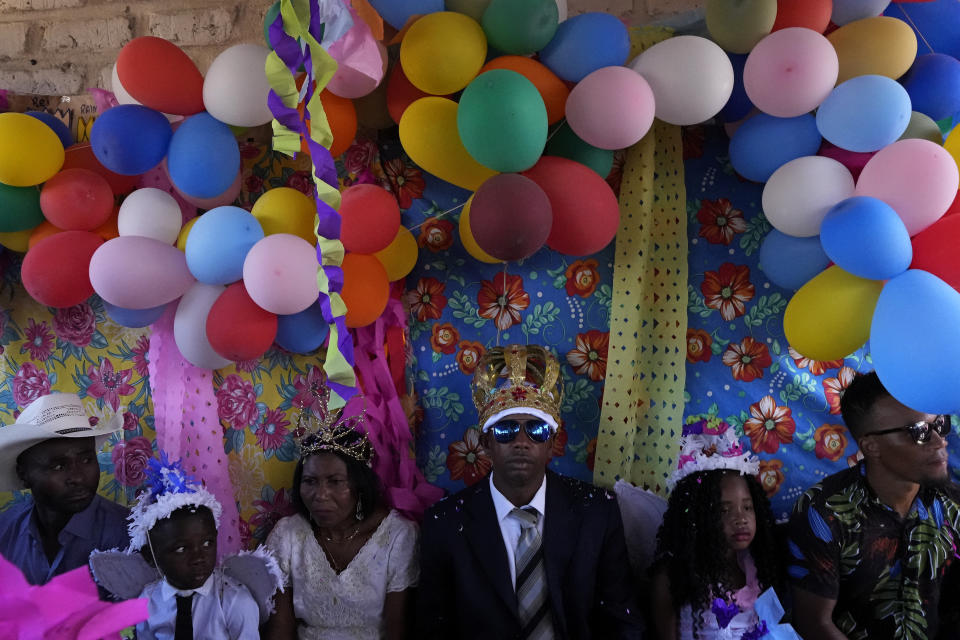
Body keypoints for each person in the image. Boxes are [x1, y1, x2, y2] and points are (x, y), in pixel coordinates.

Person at [416, 344, 643, 639]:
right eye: (506, 430)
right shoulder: (444, 523)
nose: (521, 441)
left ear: (550, 444)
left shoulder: (597, 512)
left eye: (536, 430)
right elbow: (433, 628)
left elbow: (621, 618)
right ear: (485, 442)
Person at [788, 370, 960, 640]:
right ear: (871, 446)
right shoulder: (824, 514)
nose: (940, 441)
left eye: (939, 424)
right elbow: (815, 623)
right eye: (919, 432)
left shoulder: (951, 502)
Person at [263, 383, 418, 640]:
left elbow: (397, 628)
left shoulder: (397, 536)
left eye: (335, 482)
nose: (320, 494)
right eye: (310, 481)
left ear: (359, 485)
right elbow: (281, 628)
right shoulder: (288, 535)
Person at [90, 453, 279, 640]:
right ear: (150, 556)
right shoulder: (147, 602)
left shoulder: (234, 602)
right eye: (181, 549)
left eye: (207, 543)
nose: (198, 558)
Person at [649, 419, 785, 640]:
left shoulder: (757, 566)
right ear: (697, 516)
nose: (741, 519)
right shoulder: (672, 575)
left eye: (748, 507)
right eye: (723, 510)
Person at [0, 391, 128, 585]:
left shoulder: (126, 536)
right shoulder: (6, 530)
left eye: (86, 459)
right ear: (23, 475)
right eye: (58, 466)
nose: (77, 477)